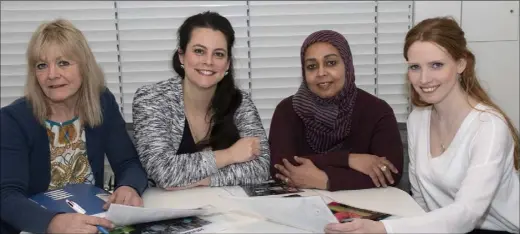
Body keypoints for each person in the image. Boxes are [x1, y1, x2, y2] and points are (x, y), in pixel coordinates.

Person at [324, 17, 519, 234]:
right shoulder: (418, 119)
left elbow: (466, 214)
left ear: (461, 64)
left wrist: (383, 228)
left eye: (436, 65)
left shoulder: (489, 127)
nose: (424, 79)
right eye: (415, 67)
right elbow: (420, 199)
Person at [0, 19, 149, 234]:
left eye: (63, 63)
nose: (52, 74)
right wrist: (53, 223)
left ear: (84, 67)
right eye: (42, 65)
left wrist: (129, 187)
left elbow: (128, 163)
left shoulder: (101, 102)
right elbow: (7, 196)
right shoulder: (13, 119)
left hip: (91, 221)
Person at [132, 11, 270, 190]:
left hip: (229, 210)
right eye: (199, 51)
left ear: (227, 63)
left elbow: (261, 168)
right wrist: (229, 155)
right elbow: (162, 171)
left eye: (218, 54)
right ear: (181, 56)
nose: (208, 61)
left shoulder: (241, 103)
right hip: (167, 210)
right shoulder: (151, 99)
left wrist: (204, 180)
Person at [268, 30, 404, 191]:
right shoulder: (287, 110)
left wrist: (324, 180)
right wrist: (348, 160)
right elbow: (280, 168)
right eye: (311, 66)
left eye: (331, 63)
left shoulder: (377, 110)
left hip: (362, 210)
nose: (321, 73)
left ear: (347, 65)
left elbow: (389, 173)